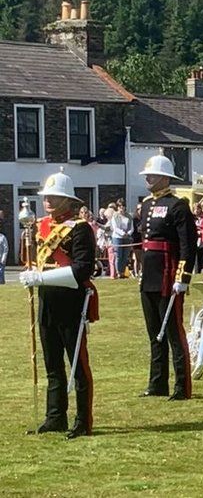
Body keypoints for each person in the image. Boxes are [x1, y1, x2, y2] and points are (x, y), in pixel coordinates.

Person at [18, 169, 98, 438]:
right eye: (46, 196)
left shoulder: (80, 228)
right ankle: (55, 416)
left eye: (55, 196)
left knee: (78, 363)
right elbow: (28, 259)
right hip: (46, 301)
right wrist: (26, 242)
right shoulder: (39, 226)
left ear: (67, 200)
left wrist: (40, 276)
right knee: (52, 362)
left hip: (71, 301)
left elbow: (82, 269)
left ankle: (83, 420)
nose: (48, 201)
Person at [138, 153, 198, 401]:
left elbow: (188, 244)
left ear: (164, 178)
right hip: (149, 274)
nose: (148, 178)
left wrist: (183, 276)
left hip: (167, 273)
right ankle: (157, 383)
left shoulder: (177, 205)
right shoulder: (147, 205)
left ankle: (182, 386)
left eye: (152, 175)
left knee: (173, 331)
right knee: (154, 332)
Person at [108, 200, 133, 279]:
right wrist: (122, 233)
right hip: (117, 238)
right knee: (119, 255)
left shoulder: (129, 216)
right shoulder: (115, 216)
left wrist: (128, 233)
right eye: (120, 206)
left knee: (125, 255)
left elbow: (132, 228)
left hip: (127, 238)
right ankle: (119, 272)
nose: (121, 208)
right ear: (117, 207)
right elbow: (115, 228)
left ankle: (122, 272)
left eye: (123, 206)